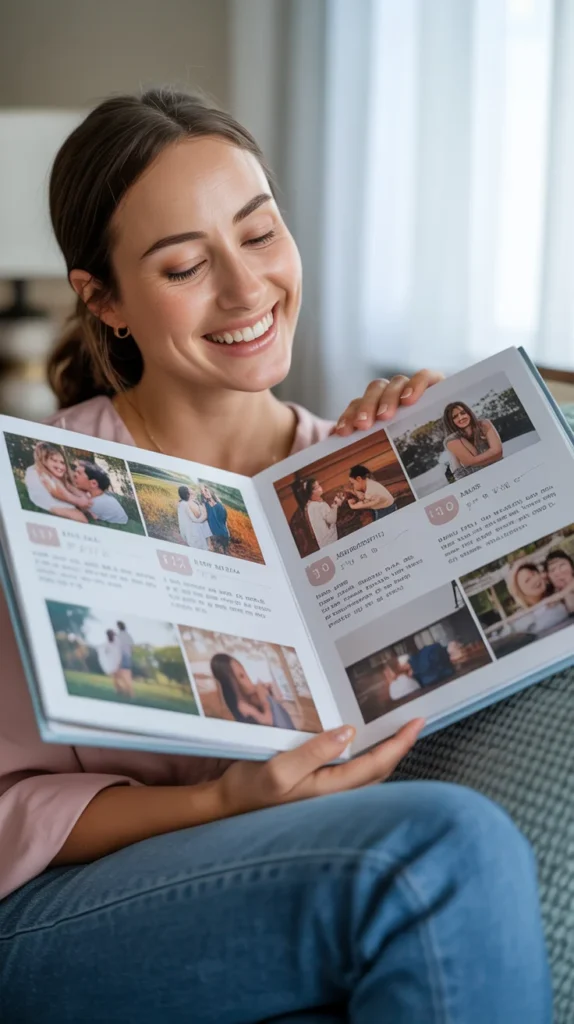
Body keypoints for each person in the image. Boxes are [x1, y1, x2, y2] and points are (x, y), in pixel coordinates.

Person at [0, 88, 551, 1023]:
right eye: (184, 265)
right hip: (55, 911)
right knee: (443, 851)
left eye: (259, 236)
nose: (247, 290)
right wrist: (222, 801)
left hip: (280, 879)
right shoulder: (41, 489)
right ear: (105, 299)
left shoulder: (342, 465)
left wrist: (439, 473)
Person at [210, 652, 296, 729]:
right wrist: (264, 700)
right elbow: (268, 721)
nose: (248, 679)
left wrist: (266, 692)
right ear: (231, 685)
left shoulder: (247, 699)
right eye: (241, 676)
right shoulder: (243, 706)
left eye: (245, 673)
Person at [24, 441, 92, 522]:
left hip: (55, 493)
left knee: (83, 502)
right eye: (54, 461)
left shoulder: (51, 473)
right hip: (47, 499)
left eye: (62, 463)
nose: (60, 466)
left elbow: (68, 486)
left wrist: (84, 498)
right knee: (81, 518)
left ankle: (85, 506)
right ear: (43, 460)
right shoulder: (42, 474)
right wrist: (77, 500)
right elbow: (55, 492)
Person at [506, 559, 570, 637]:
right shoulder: (520, 620)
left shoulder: (560, 596)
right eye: (527, 580)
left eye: (533, 574)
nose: (535, 580)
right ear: (520, 592)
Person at [443, 401, 503, 479]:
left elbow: (498, 451)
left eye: (463, 413)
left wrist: (477, 461)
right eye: (455, 417)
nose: (461, 418)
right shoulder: (451, 440)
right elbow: (470, 462)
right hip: (470, 477)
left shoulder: (484, 424)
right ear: (450, 422)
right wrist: (492, 455)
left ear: (469, 413)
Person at [71, 459, 129, 524]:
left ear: (93, 483)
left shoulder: (95, 503)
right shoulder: (101, 497)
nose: (74, 475)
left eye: (79, 473)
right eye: (75, 472)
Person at [302, 477, 344, 548]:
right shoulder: (320, 505)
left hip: (322, 543)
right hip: (331, 541)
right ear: (312, 492)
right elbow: (331, 519)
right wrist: (336, 505)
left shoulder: (309, 506)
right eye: (317, 487)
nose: (320, 488)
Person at [176, 484, 212, 550]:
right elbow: (196, 519)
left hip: (189, 532)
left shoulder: (182, 503)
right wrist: (204, 515)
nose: (190, 490)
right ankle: (208, 546)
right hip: (193, 533)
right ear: (187, 493)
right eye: (189, 489)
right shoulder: (186, 504)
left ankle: (208, 545)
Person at [200, 483, 231, 555]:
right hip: (215, 533)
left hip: (224, 531)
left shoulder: (219, 503)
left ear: (210, 491)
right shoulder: (204, 504)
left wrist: (227, 529)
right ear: (202, 494)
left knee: (225, 551)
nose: (206, 493)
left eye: (206, 490)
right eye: (203, 492)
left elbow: (224, 519)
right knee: (219, 552)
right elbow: (204, 518)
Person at [544, 548, 574, 614]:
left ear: (572, 568)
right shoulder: (551, 600)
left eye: (562, 565)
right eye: (552, 570)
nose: (558, 572)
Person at [97, 628, 124, 696]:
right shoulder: (108, 643)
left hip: (117, 661)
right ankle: (118, 689)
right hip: (113, 662)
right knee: (116, 677)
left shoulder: (116, 641)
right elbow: (103, 650)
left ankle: (119, 689)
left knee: (117, 676)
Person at [116, 620, 135, 698]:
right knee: (126, 675)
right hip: (128, 656)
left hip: (122, 656)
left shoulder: (119, 636)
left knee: (122, 675)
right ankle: (125, 692)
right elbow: (132, 648)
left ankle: (130, 693)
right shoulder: (128, 636)